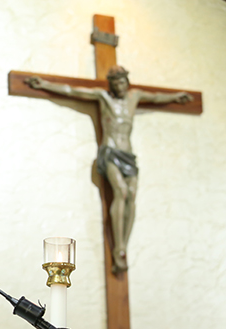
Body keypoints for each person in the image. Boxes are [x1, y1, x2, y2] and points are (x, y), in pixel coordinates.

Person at [26, 66, 192, 272]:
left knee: (131, 195)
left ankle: (123, 245)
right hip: (110, 152)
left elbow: (157, 97)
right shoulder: (103, 97)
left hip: (128, 155)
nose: (119, 86)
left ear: (127, 82)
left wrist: (176, 96)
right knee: (120, 192)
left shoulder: (135, 97)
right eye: (115, 83)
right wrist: (45, 84)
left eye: (122, 82)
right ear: (111, 85)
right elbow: (71, 90)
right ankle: (118, 248)